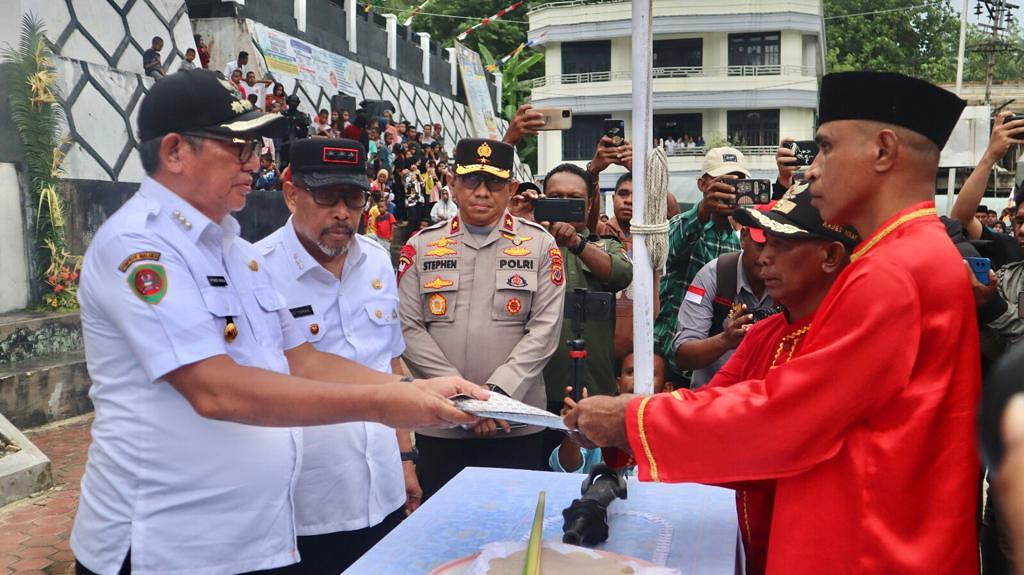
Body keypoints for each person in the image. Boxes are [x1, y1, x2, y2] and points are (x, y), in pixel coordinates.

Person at [70, 69, 485, 575]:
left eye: (256, 147)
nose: (254, 162)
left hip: (255, 538)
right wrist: (389, 402)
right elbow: (215, 390)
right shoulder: (139, 247)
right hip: (167, 545)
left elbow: (300, 359)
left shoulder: (236, 254)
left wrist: (418, 389)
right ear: (175, 151)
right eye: (237, 146)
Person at [565, 71, 981, 574]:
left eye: (825, 149)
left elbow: (788, 416)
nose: (811, 171)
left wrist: (633, 420)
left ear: (884, 151)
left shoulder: (894, 269)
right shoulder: (910, 255)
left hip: (868, 546)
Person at [254, 138, 417, 574]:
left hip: (382, 490)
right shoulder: (257, 270)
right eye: (326, 196)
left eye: (354, 197)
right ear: (291, 193)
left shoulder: (379, 262)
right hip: (303, 505)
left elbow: (391, 362)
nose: (343, 213)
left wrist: (405, 458)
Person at [398, 138, 565, 500]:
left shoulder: (540, 245)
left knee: (514, 535)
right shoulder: (421, 247)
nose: (483, 192)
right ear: (452, 183)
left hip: (516, 422)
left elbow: (545, 330)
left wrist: (495, 397)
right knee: (443, 534)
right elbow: (408, 328)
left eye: (495, 183)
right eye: (472, 180)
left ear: (511, 190)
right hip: (440, 420)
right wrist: (463, 397)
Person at [704, 185, 859, 575]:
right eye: (764, 243)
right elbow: (709, 403)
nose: (764, 258)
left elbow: (767, 433)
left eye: (781, 244)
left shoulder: (849, 341)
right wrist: (632, 426)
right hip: (748, 546)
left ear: (830, 256)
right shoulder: (762, 334)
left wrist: (634, 424)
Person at [537, 163, 632, 405]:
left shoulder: (605, 244)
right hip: (537, 389)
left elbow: (621, 273)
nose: (565, 204)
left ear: (589, 205)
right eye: (556, 198)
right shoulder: (527, 244)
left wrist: (576, 243)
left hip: (596, 387)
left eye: (574, 199)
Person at [654, 148, 748, 387]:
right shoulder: (683, 223)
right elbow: (668, 252)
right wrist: (703, 210)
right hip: (670, 359)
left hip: (715, 361)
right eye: (723, 183)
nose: (730, 191)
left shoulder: (743, 238)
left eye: (738, 184)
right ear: (702, 184)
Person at [672, 213, 775, 389]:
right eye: (760, 245)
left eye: (775, 247)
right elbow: (683, 355)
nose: (766, 256)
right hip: (712, 401)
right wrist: (725, 340)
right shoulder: (713, 276)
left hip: (767, 403)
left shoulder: (791, 282)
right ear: (743, 237)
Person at [550, 352, 667, 475]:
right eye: (630, 372)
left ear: (667, 389)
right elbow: (566, 467)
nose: (638, 380)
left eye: (649, 374)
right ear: (618, 383)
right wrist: (575, 426)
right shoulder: (600, 424)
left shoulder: (672, 433)